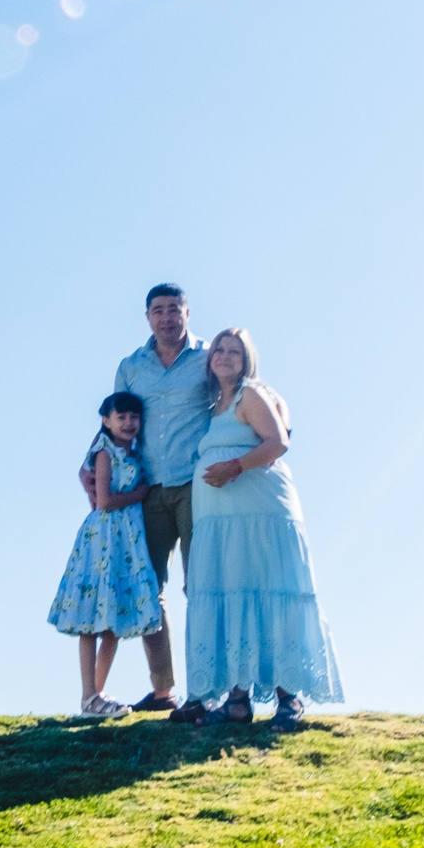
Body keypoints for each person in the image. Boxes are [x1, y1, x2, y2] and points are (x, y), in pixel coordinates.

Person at [178, 326, 342, 728]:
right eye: (219, 350)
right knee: (234, 593)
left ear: (247, 359)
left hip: (260, 516)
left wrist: (234, 466)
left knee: (270, 591)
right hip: (221, 522)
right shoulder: (216, 404)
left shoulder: (251, 394)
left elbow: (277, 442)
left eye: (235, 351)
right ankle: (237, 700)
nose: (225, 356)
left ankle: (289, 699)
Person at [100, 283, 212, 712]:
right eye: (157, 310)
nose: (166, 317)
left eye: (173, 309)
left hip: (197, 485)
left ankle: (206, 689)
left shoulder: (207, 358)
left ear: (187, 312)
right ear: (147, 317)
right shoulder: (131, 366)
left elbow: (236, 402)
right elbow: (114, 421)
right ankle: (164, 690)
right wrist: (91, 466)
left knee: (201, 586)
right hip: (144, 489)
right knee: (149, 591)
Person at [47, 392, 164, 716]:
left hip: (126, 543)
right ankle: (88, 695)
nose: (128, 423)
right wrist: (141, 493)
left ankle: (97, 695)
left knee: (113, 619)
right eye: (121, 417)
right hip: (103, 541)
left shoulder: (137, 454)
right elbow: (105, 501)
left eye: (133, 417)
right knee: (89, 619)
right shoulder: (104, 452)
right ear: (106, 421)